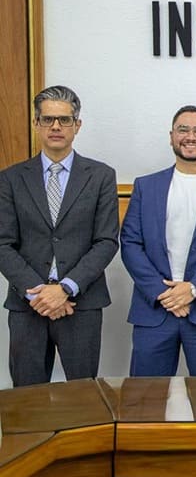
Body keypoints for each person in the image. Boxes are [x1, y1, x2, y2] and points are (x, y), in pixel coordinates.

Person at [0, 85, 118, 386]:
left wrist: (64, 289)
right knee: (27, 401)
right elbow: (3, 243)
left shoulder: (101, 176)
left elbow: (106, 241)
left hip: (81, 304)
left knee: (83, 398)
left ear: (77, 125)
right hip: (29, 306)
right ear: (36, 123)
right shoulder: (11, 179)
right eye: (48, 119)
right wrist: (38, 292)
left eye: (64, 120)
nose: (56, 126)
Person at [120, 105, 196, 376]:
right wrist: (163, 293)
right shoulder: (146, 186)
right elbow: (130, 243)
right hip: (154, 310)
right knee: (145, 404)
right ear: (171, 136)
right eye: (183, 130)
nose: (191, 136)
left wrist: (193, 289)